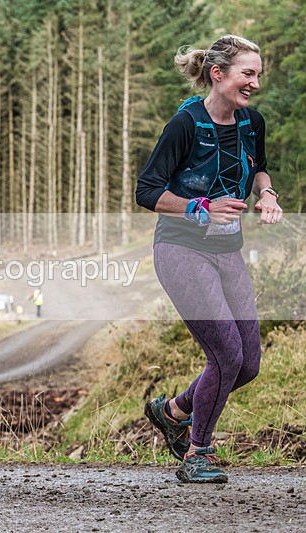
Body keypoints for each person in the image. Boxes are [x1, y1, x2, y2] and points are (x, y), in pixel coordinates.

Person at [136, 35, 282, 483]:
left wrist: (268, 194)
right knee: (226, 353)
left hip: (227, 251)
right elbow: (147, 192)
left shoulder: (251, 122)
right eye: (247, 73)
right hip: (181, 248)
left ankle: (173, 411)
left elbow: (258, 167)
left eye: (258, 74)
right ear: (218, 74)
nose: (255, 83)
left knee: (249, 363)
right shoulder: (184, 125)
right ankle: (197, 452)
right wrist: (201, 207)